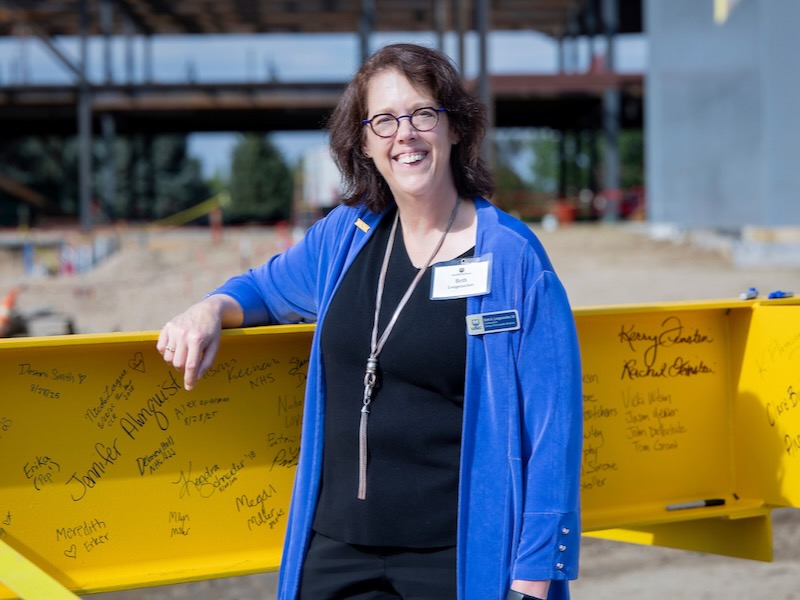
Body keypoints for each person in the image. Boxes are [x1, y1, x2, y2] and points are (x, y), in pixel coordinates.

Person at [158, 43, 582, 600]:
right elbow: (263, 288)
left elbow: (554, 431)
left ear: (455, 128)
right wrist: (210, 308)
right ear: (364, 143)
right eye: (383, 120)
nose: (404, 133)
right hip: (335, 551)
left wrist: (531, 584)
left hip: (454, 559)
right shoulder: (344, 237)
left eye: (422, 114)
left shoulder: (511, 259)